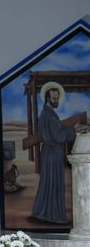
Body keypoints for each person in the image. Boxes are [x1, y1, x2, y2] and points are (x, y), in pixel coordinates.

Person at [32, 82, 84, 223]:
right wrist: (74, 130)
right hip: (53, 153)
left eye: (57, 98)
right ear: (47, 98)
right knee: (53, 183)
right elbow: (58, 136)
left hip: (50, 152)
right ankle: (52, 215)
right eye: (54, 98)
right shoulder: (48, 115)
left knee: (49, 182)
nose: (56, 101)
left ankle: (42, 212)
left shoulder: (47, 113)